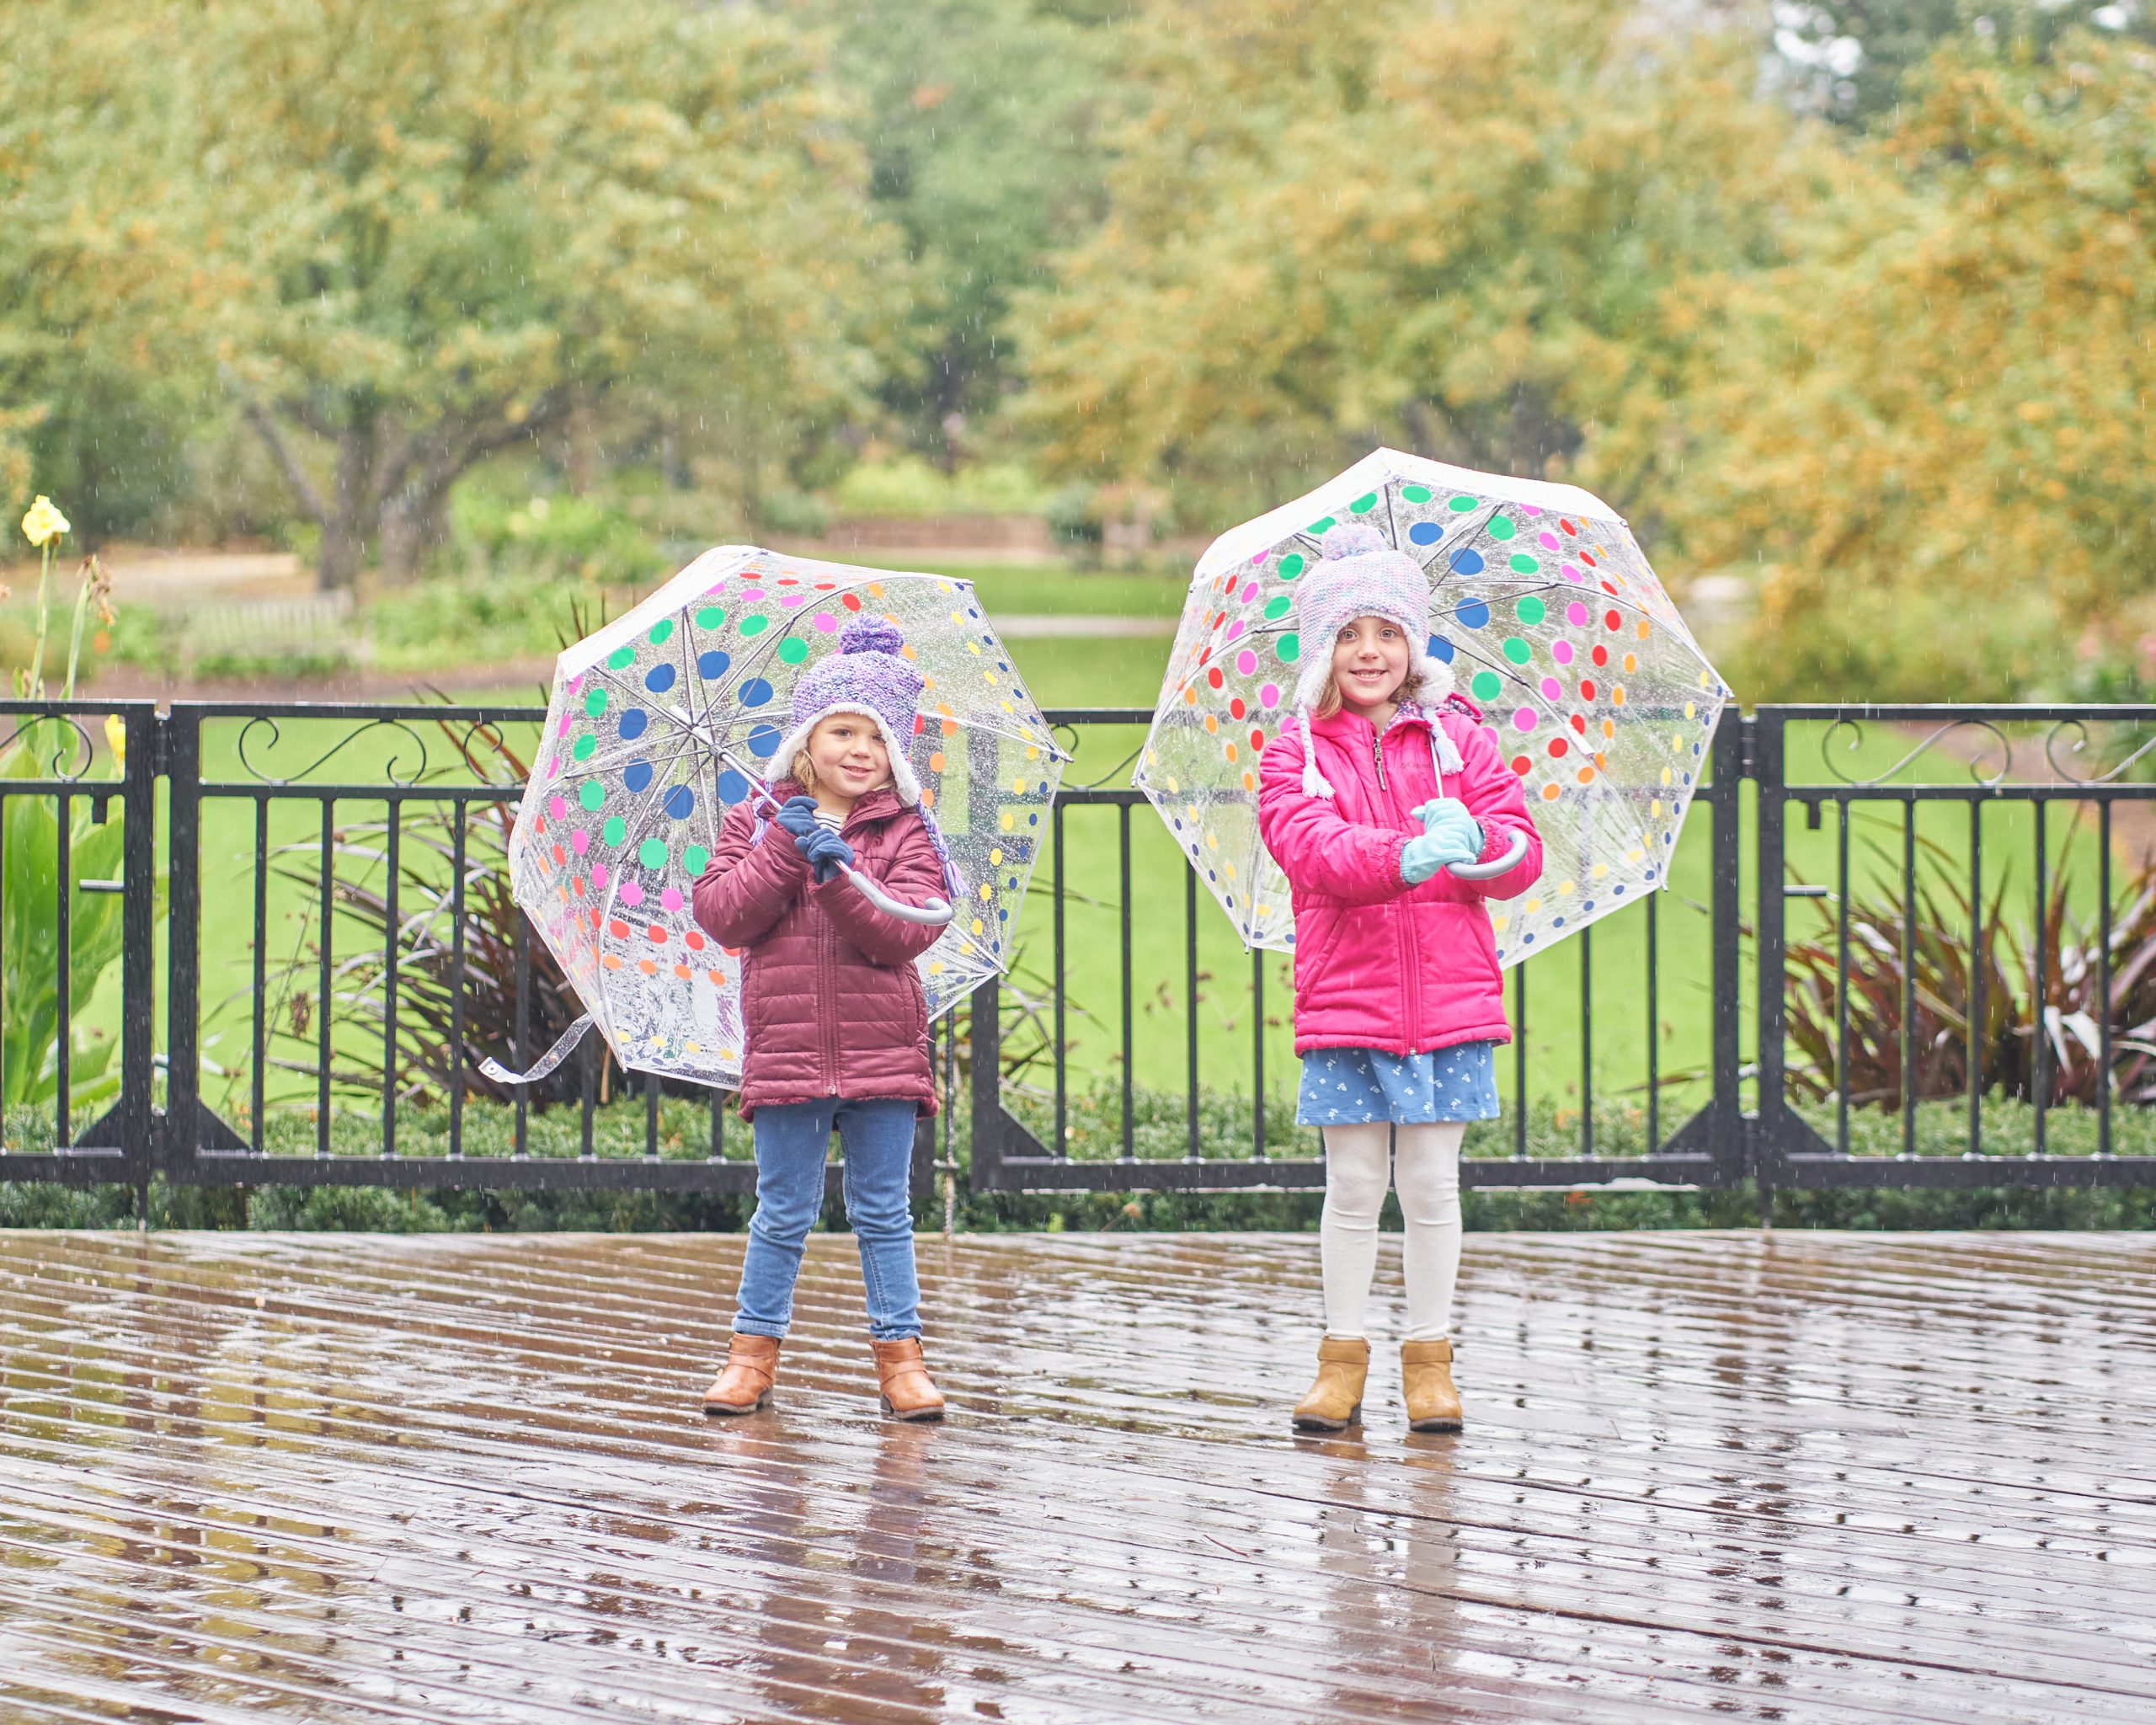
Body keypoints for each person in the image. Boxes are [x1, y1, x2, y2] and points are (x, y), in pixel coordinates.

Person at [1257, 521, 1542, 1433]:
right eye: (1348, 634)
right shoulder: (1295, 750)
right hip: (1349, 998)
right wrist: (1403, 852)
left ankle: (1430, 1359)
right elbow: (1309, 847)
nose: (1368, 651)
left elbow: (1520, 849)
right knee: (1350, 1186)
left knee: (1429, 1183)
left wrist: (1481, 845)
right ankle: (1340, 1358)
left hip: (1450, 997)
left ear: (1413, 642)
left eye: (1384, 632)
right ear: (1322, 649)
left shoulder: (1461, 739)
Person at [691, 615, 960, 1422]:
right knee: (783, 1210)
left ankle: (901, 1359)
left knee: (884, 1211)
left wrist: (840, 874)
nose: (858, 750)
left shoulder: (908, 829)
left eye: (876, 737)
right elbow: (724, 914)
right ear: (807, 741)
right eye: (842, 730)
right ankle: (750, 1356)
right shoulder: (758, 819)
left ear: (895, 755)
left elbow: (906, 930)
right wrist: (783, 848)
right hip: (789, 1052)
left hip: (883, 1053)